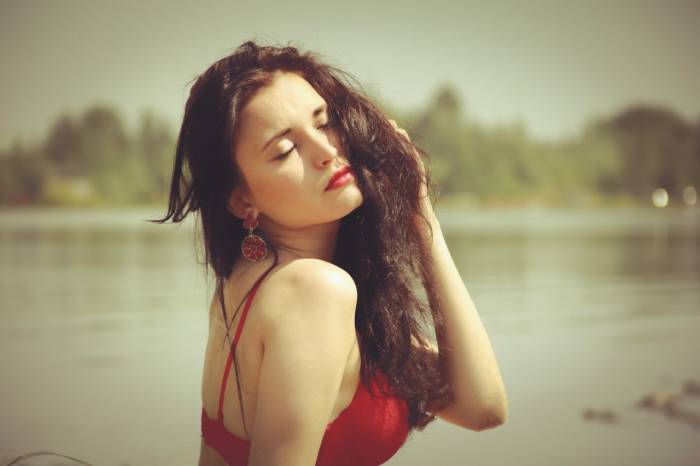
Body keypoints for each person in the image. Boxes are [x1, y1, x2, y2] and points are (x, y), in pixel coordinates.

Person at [151, 40, 508, 466]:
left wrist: (422, 219)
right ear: (243, 200)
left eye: (325, 122)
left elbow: (482, 406)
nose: (327, 152)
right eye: (285, 150)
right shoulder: (313, 291)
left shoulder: (254, 281)